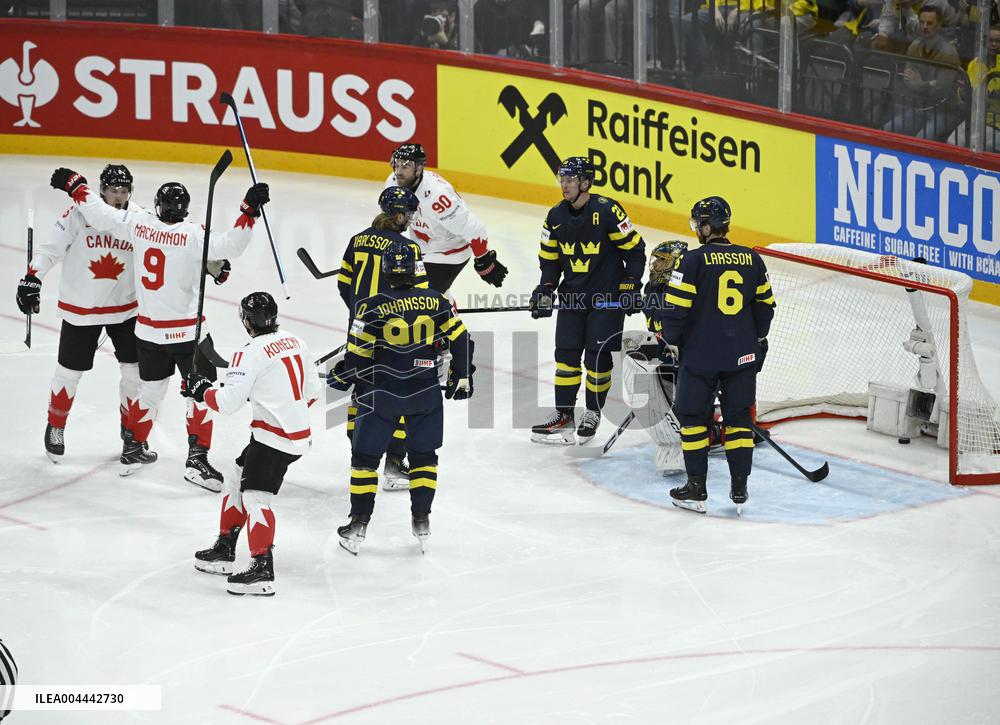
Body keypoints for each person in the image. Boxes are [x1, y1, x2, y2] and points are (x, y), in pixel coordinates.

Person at [49, 166, 269, 490]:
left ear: (156, 205)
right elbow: (231, 246)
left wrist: (77, 186)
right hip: (187, 336)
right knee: (201, 393)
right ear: (185, 210)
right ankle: (197, 460)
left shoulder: (139, 224)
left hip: (148, 333)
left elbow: (99, 213)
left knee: (150, 391)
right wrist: (249, 211)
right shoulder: (194, 235)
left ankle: (133, 448)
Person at [327, 239, 474, 555]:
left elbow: (356, 359)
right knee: (424, 458)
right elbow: (462, 338)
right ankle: (421, 519)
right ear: (414, 270)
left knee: (365, 460)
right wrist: (461, 376)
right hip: (425, 392)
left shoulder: (370, 306)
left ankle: (358, 524)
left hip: (381, 394)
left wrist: (342, 376)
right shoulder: (436, 302)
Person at [184, 292, 321, 596]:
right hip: (295, 433)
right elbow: (312, 389)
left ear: (247, 321)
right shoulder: (295, 340)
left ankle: (262, 569)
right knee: (235, 475)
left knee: (256, 497)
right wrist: (281, 402)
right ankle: (224, 548)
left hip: (273, 438)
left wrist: (201, 389)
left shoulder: (249, 353)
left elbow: (227, 403)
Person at [653, 196, 775, 515]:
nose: (696, 230)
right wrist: (755, 338)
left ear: (706, 227)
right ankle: (738, 486)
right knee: (737, 420)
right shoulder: (752, 259)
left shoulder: (692, 261)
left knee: (693, 419)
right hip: (741, 356)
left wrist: (674, 341)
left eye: (697, 224)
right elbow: (765, 308)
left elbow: (675, 310)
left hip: (701, 355)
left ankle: (696, 488)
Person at [17, 164, 140, 463]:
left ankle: (130, 430)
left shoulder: (138, 217)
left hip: (126, 308)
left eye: (124, 191)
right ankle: (55, 425)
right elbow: (50, 249)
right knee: (70, 372)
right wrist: (33, 276)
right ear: (102, 190)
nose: (120, 197)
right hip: (81, 308)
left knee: (135, 373)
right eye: (114, 191)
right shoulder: (77, 213)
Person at [528, 156, 646, 445]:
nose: (564, 185)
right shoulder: (555, 216)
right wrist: (545, 288)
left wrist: (630, 285)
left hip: (607, 300)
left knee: (598, 360)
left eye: (570, 180)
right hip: (573, 299)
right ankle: (565, 414)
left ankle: (592, 412)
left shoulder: (608, 211)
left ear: (585, 182)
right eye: (562, 180)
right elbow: (550, 259)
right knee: (566, 358)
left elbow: (635, 251)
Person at [338, 186, 429, 491]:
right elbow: (419, 295)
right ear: (399, 214)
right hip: (394, 335)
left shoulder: (357, 240)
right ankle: (392, 465)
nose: (412, 219)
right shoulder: (408, 249)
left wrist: (359, 315)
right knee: (402, 396)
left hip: (360, 330)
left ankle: (359, 458)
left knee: (362, 391)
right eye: (410, 213)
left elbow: (343, 284)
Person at [386, 143, 507, 294]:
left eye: (405, 166)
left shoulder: (437, 197)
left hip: (450, 252)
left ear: (418, 169)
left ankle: (446, 311)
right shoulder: (392, 184)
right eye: (396, 165)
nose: (398, 171)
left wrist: (483, 258)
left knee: (420, 295)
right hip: (421, 247)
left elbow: (473, 227)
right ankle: (446, 306)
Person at [882, 5, 963, 141]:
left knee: (920, 142)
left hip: (945, 112)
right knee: (885, 131)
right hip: (920, 108)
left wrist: (920, 84)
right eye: (922, 22)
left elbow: (941, 90)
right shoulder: (914, 46)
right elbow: (908, 82)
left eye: (930, 23)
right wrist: (930, 84)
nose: (925, 26)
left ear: (938, 25)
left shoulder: (949, 53)